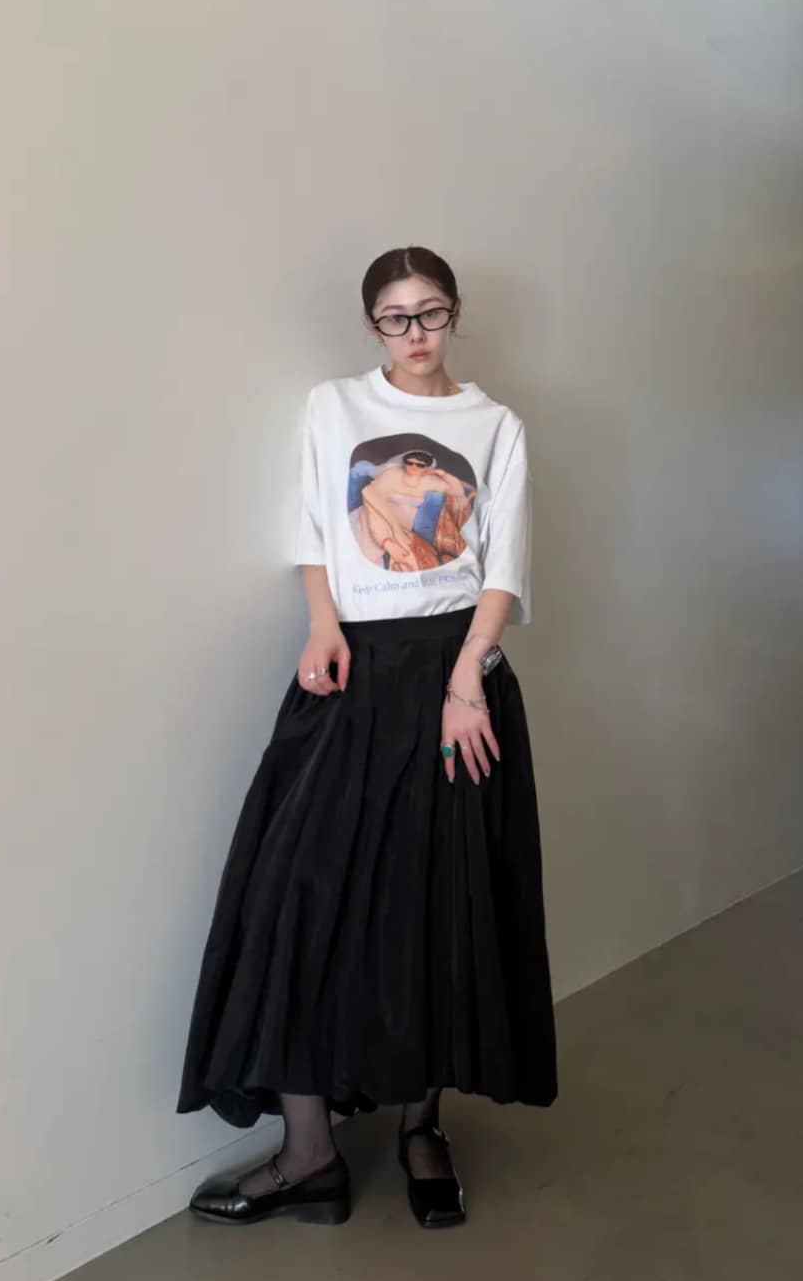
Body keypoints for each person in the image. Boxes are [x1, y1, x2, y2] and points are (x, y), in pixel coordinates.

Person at [176, 245, 558, 1229]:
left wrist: (466, 681)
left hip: (454, 677)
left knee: (437, 902)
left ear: (456, 313)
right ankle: (309, 1154)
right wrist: (322, 625)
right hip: (350, 665)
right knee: (292, 893)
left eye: (431, 312)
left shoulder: (495, 424)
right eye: (395, 316)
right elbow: (315, 527)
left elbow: (503, 567)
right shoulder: (334, 405)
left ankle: (422, 1128)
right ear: (371, 325)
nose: (415, 332)